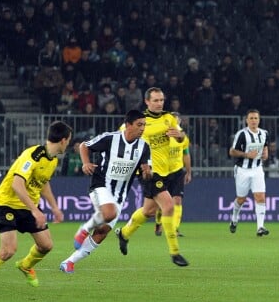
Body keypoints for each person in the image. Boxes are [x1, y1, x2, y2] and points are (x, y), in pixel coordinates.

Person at [0, 121, 73, 293]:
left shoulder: (53, 160)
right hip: (8, 203)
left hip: (28, 205)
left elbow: (43, 183)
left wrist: (54, 207)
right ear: (63, 140)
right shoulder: (32, 155)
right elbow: (17, 185)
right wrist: (36, 211)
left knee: (46, 245)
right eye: (69, 140)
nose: (68, 144)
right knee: (8, 250)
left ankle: (26, 266)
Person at [62, 109, 151, 273]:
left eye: (144, 125)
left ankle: (69, 262)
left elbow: (146, 168)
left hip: (120, 194)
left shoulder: (144, 146)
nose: (142, 128)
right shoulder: (110, 138)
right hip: (101, 184)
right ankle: (84, 229)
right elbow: (84, 146)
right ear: (128, 125)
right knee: (109, 213)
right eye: (139, 125)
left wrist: (147, 172)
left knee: (102, 232)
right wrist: (86, 163)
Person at [115, 88, 190, 267]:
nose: (159, 103)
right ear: (147, 101)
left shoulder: (169, 118)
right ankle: (175, 252)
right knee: (169, 205)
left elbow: (181, 138)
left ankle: (124, 233)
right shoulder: (139, 121)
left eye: (161, 100)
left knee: (148, 211)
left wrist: (180, 135)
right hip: (150, 171)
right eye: (155, 100)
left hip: (170, 171)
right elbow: (120, 139)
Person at [228, 109, 270, 237]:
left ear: (259, 120)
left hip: (257, 169)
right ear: (246, 120)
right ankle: (234, 218)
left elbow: (265, 147)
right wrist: (246, 154)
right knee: (241, 199)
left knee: (260, 197)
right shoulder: (241, 134)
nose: (253, 121)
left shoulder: (264, 133)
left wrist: (265, 154)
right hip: (243, 170)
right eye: (251, 118)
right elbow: (232, 151)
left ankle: (260, 227)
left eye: (256, 118)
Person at [154, 111, 192, 237]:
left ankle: (174, 228)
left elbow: (186, 154)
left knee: (177, 200)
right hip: (163, 171)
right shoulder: (161, 135)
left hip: (177, 171)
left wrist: (188, 171)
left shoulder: (182, 137)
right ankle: (159, 222)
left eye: (176, 120)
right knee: (163, 203)